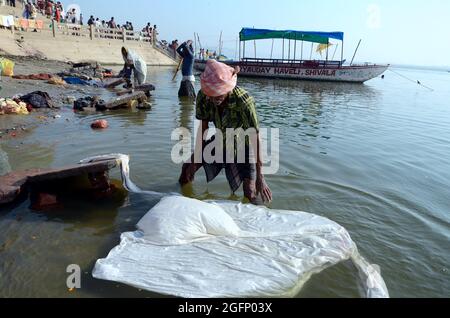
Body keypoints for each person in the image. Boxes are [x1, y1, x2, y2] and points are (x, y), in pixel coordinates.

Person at [179, 60, 273, 205]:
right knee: (186, 169)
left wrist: (261, 176)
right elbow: (203, 129)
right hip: (220, 140)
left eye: (218, 95)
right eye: (211, 95)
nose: (214, 99)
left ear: (228, 89)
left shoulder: (244, 101)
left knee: (250, 191)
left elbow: (255, 137)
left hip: (244, 145)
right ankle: (183, 202)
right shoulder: (204, 96)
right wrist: (196, 157)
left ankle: (257, 217)